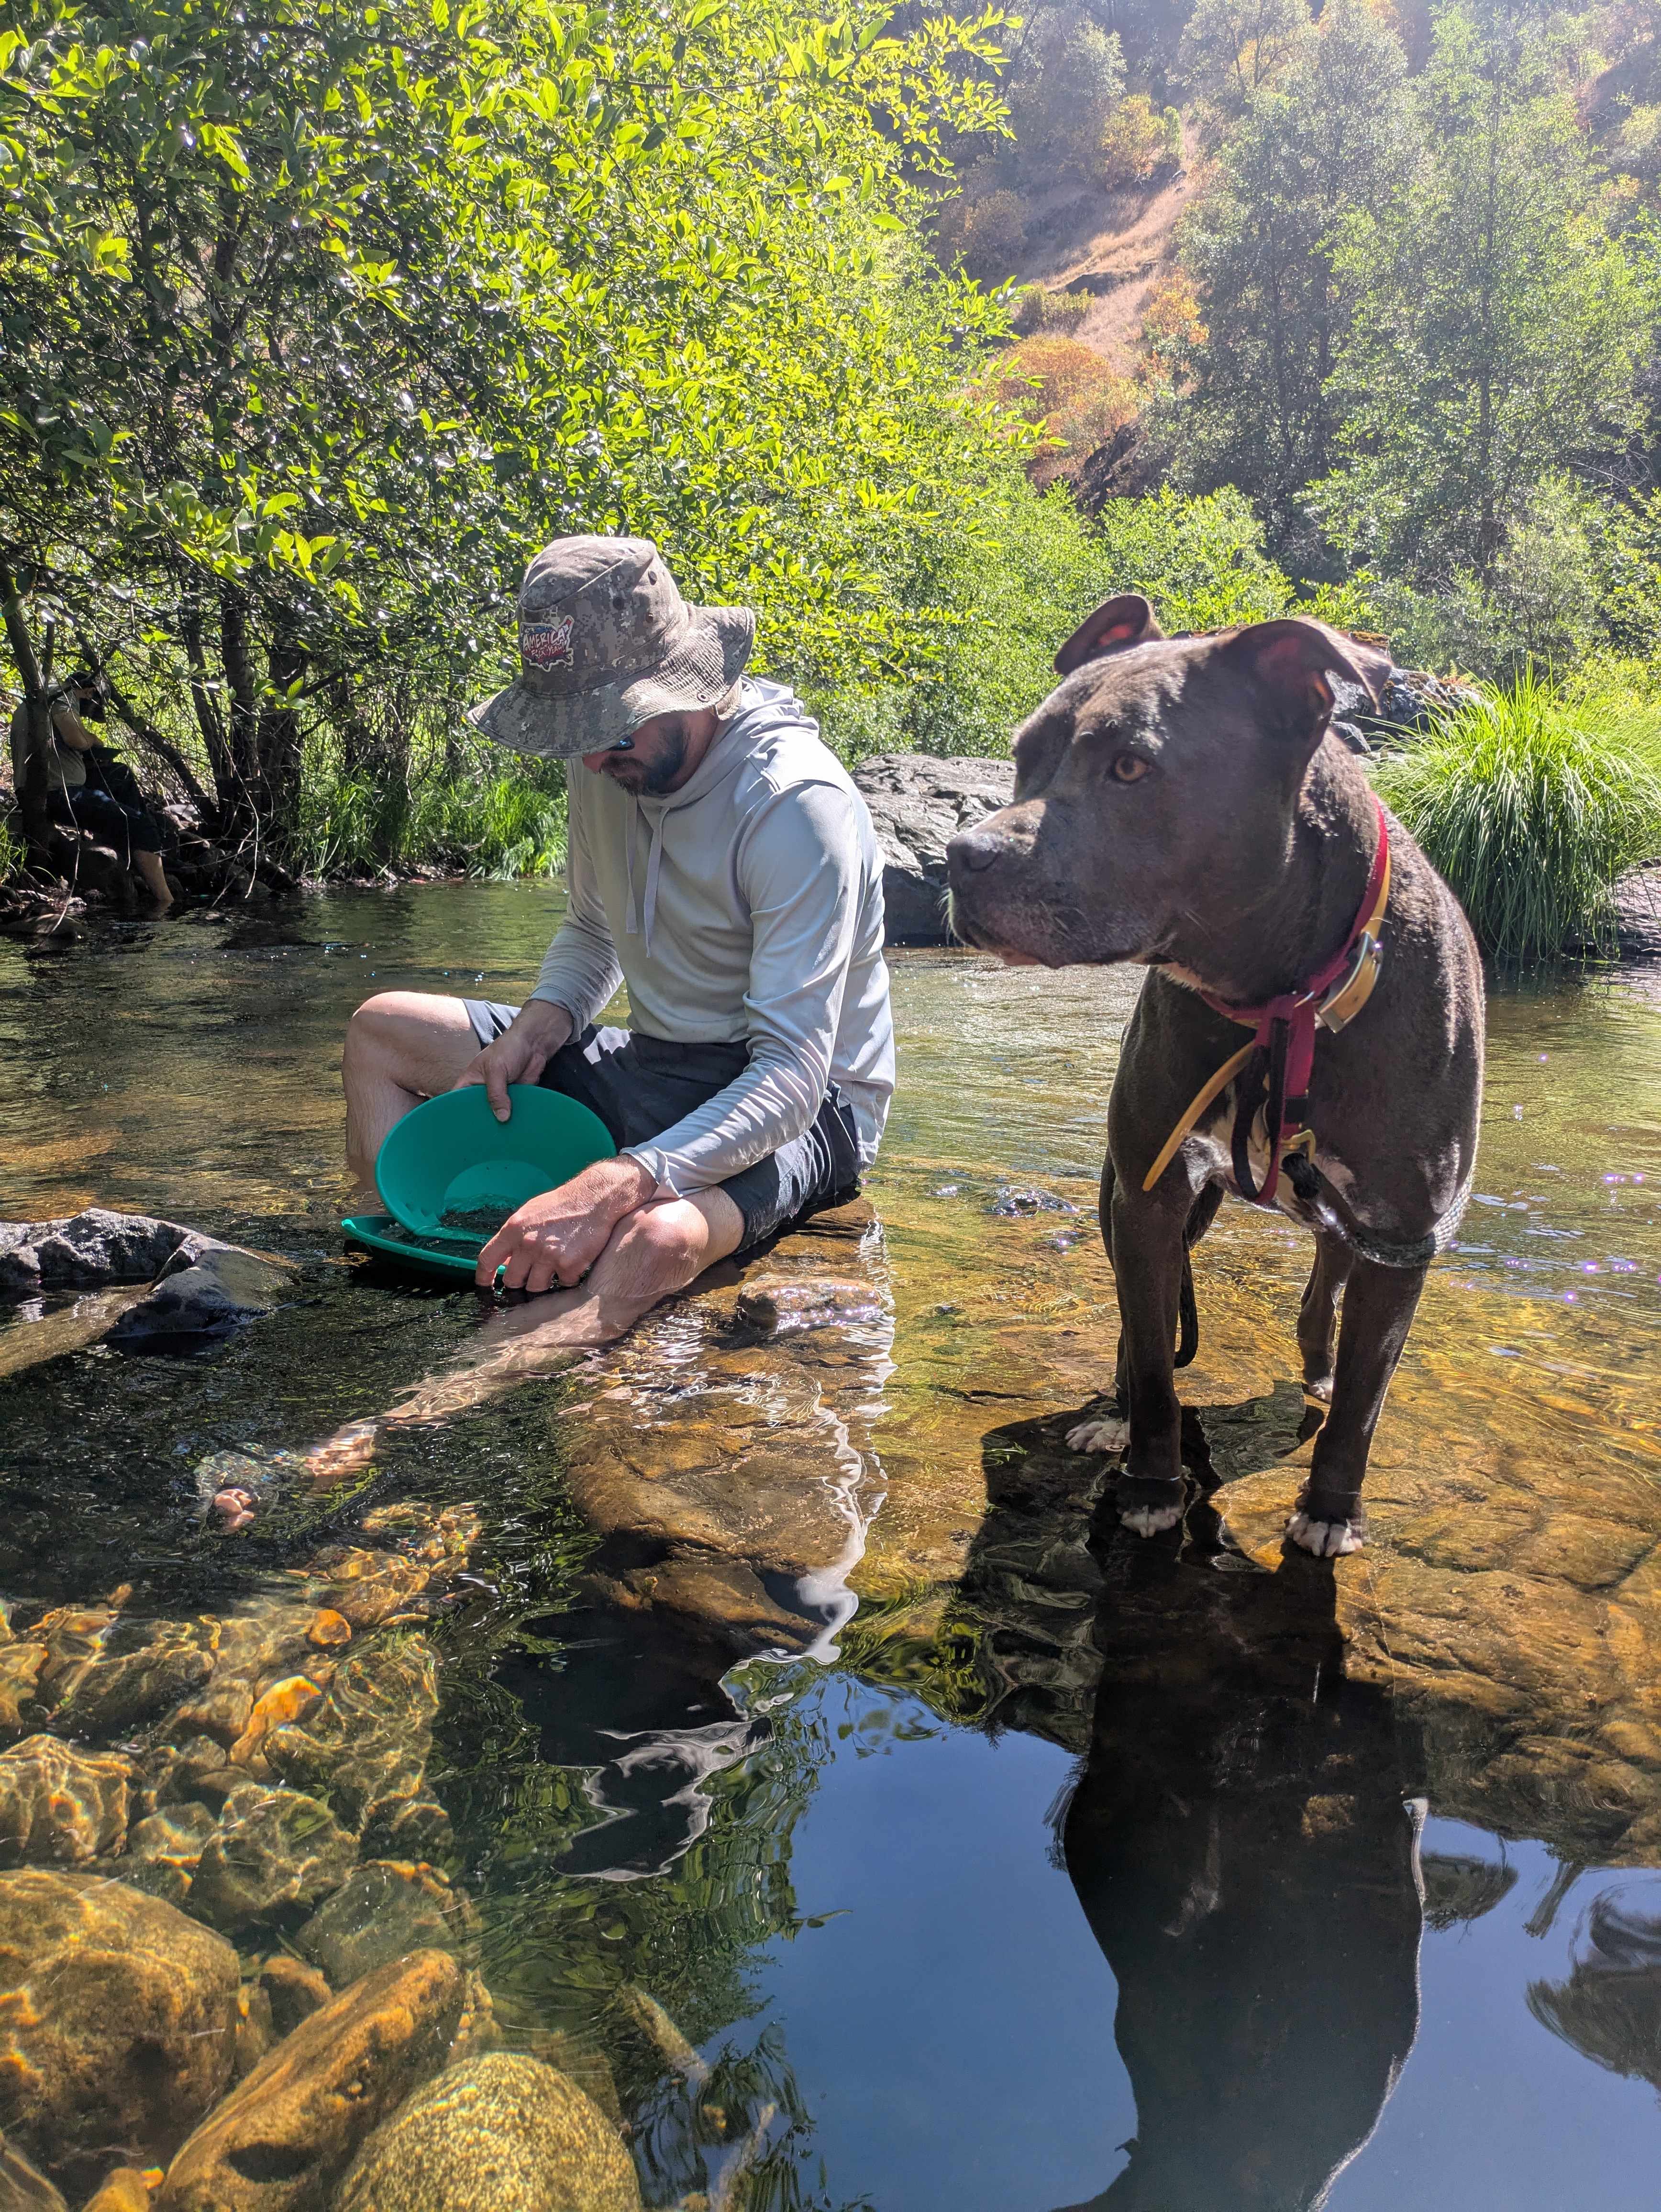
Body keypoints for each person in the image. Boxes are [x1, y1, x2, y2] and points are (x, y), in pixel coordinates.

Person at [205, 537, 895, 1532]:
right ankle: (398, 1266)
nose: (589, 753)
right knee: (381, 1030)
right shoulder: (605, 762)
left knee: (654, 1239)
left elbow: (791, 1075)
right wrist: (543, 1019)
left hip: (803, 1102)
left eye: (608, 726)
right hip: (655, 1059)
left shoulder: (795, 807)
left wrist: (621, 1179)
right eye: (575, 729)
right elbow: (590, 927)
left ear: (684, 683)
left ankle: (394, 1422)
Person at [7, 671, 174, 908]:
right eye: (92, 707)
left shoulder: (38, 700)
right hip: (59, 794)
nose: (87, 715)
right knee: (139, 824)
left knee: (120, 775)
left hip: (49, 786)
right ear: (89, 691)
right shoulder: (62, 696)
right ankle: (164, 900)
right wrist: (93, 740)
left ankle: (132, 854)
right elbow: (75, 739)